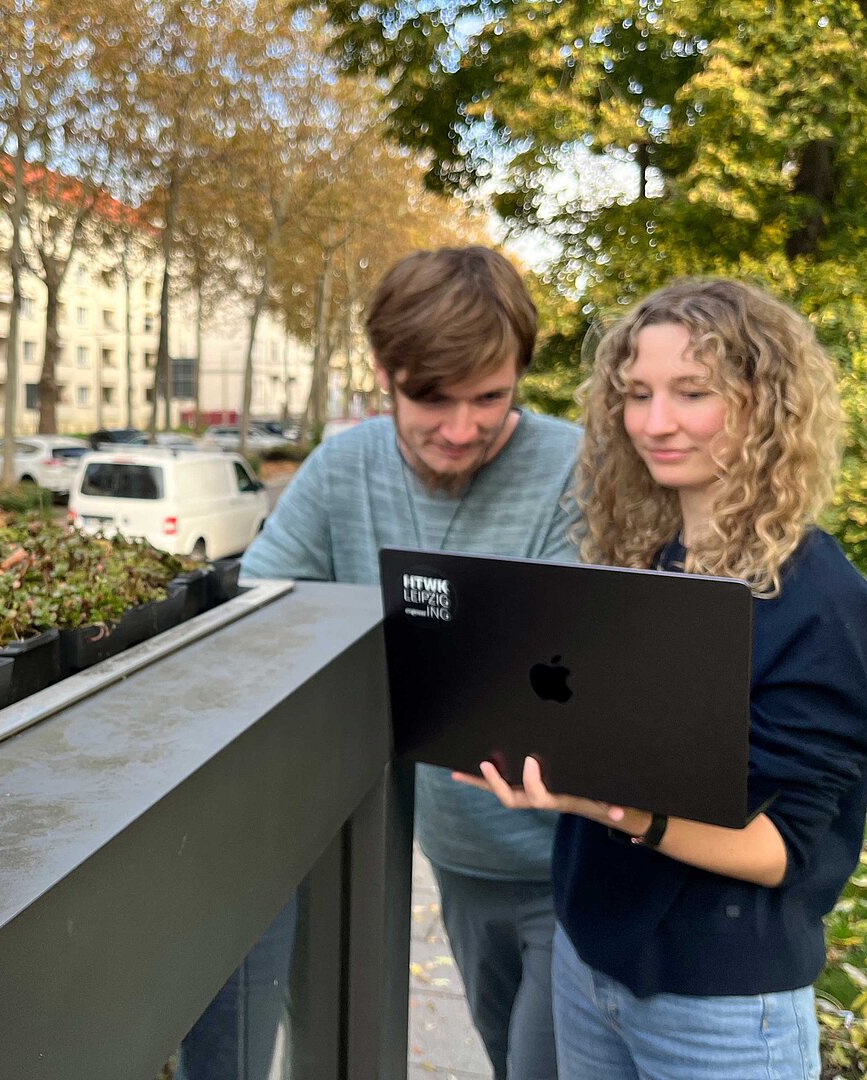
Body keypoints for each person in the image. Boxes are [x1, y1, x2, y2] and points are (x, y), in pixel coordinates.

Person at [458, 278, 867, 1079]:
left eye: (691, 393)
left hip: (721, 1000)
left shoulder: (825, 604)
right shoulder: (643, 567)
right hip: (589, 962)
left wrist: (596, 802)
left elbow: (778, 849)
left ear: (766, 404)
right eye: (636, 394)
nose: (653, 423)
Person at [178, 246, 580, 1080]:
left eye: (491, 399)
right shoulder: (343, 468)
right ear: (383, 373)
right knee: (509, 1055)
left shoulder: (578, 468)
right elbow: (268, 619)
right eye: (431, 398)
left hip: (580, 857)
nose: (462, 430)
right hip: (460, 853)